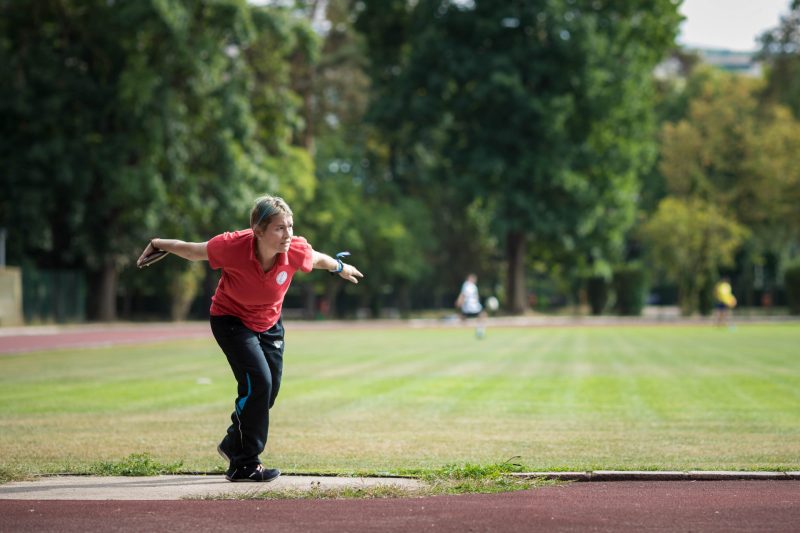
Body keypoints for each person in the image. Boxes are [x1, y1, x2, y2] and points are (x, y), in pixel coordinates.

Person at [136, 195, 363, 482]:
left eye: (290, 226)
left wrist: (340, 268)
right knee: (259, 383)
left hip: (269, 324)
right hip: (231, 321)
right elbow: (194, 251)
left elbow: (317, 258)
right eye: (280, 228)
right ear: (258, 230)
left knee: (269, 391)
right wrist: (159, 243)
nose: (288, 234)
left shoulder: (295, 249)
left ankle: (233, 442)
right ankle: (245, 462)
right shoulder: (232, 246)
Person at [455, 273, 487, 339]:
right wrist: (460, 301)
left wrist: (459, 301)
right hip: (472, 306)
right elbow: (464, 294)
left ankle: (478, 330)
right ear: (470, 278)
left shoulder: (470, 285)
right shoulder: (468, 285)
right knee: (483, 315)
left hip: (470, 306)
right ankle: (480, 330)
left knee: (463, 318)